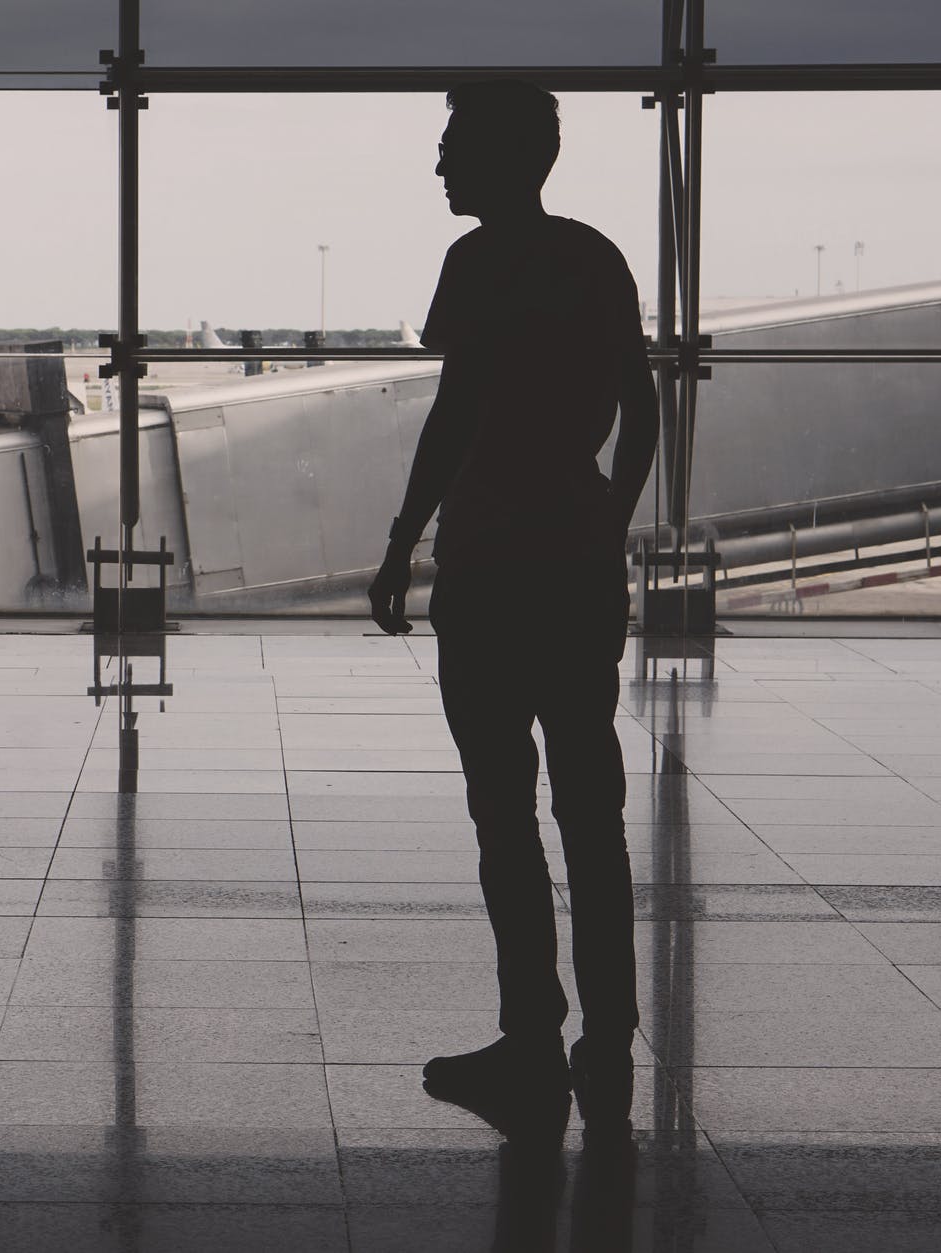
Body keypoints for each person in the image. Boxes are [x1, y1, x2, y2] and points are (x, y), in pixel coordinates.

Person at [369, 80, 659, 1134]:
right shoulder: (595, 255)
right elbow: (640, 400)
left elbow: (455, 414)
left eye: (450, 145)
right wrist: (607, 517)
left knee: (503, 808)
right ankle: (609, 1033)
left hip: (491, 562)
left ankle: (531, 1033)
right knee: (591, 805)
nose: (438, 164)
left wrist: (402, 541)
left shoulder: (478, 264)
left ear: (497, 155)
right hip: (574, 558)